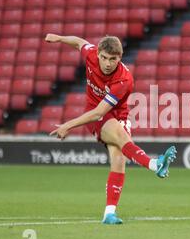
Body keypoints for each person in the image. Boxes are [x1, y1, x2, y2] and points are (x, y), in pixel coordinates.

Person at [45, 33, 177, 225]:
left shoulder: (123, 80)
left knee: (118, 159)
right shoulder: (90, 54)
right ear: (98, 54)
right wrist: (58, 38)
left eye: (113, 59)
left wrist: (68, 125)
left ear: (120, 58)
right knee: (119, 137)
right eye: (104, 58)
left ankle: (109, 213)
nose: (107, 63)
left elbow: (102, 111)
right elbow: (79, 42)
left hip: (116, 115)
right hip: (94, 112)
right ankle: (154, 164)